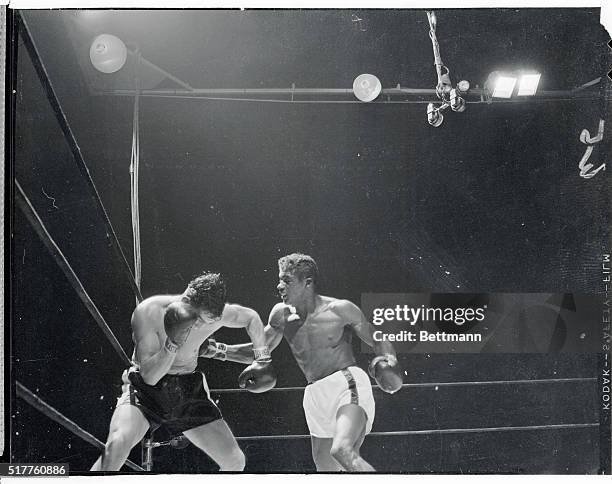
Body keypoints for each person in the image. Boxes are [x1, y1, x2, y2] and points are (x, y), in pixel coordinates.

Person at [202, 254, 402, 471]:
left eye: (286, 280)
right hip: (314, 394)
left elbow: (376, 337)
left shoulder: (339, 309)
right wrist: (217, 351)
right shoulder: (280, 315)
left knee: (343, 451)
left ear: (307, 282)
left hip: (346, 384)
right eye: (279, 280)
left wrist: (389, 359)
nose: (279, 286)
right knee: (325, 469)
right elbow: (260, 351)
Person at [91, 271, 276, 472]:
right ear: (186, 299)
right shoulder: (150, 312)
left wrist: (262, 357)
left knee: (234, 461)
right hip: (146, 391)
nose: (203, 326)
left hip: (187, 390)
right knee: (116, 446)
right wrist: (173, 343)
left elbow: (251, 318)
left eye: (209, 321)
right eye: (200, 320)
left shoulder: (214, 314)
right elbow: (149, 377)